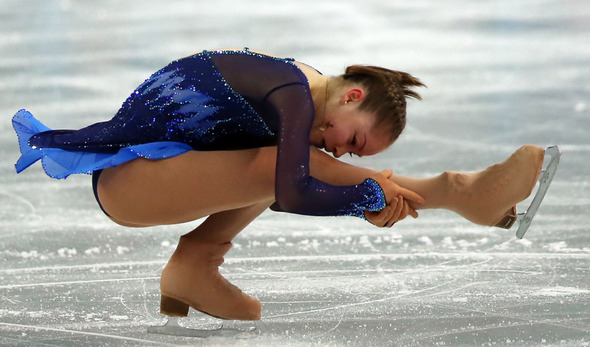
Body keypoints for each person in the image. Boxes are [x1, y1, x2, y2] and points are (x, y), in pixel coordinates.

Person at [12, 48, 546, 323]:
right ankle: (456, 192)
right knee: (283, 163)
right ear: (353, 97)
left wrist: (366, 193)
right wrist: (363, 196)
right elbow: (291, 194)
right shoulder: (291, 91)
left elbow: (296, 174)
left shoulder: (307, 89)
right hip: (129, 183)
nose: (342, 150)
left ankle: (195, 265)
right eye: (354, 142)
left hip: (167, 172)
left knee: (291, 158)